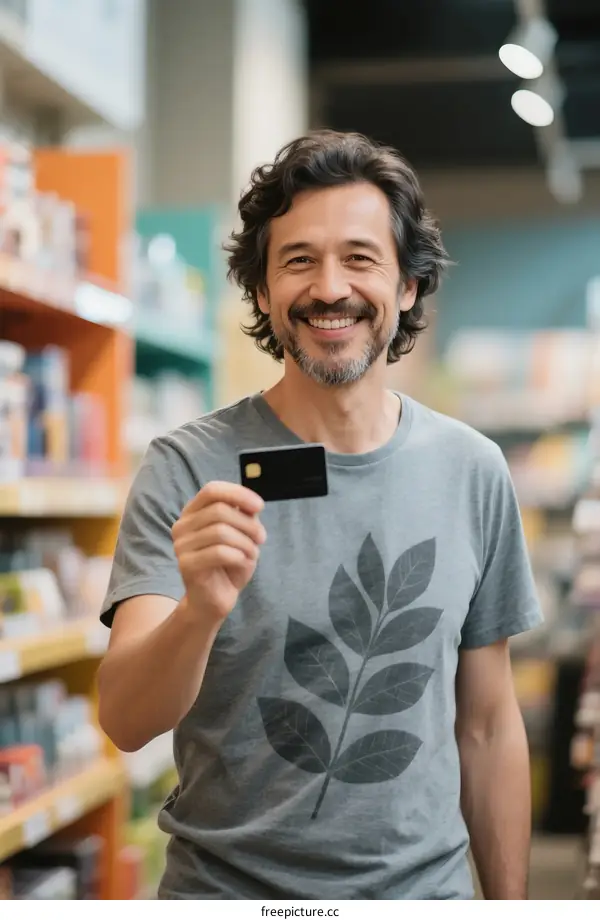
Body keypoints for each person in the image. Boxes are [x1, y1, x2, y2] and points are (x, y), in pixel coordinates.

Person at [97, 130, 543, 900]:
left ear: (407, 285)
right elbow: (127, 719)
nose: (329, 287)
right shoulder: (186, 468)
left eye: (360, 258)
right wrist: (200, 609)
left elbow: (489, 725)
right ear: (264, 291)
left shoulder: (472, 470)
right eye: (298, 260)